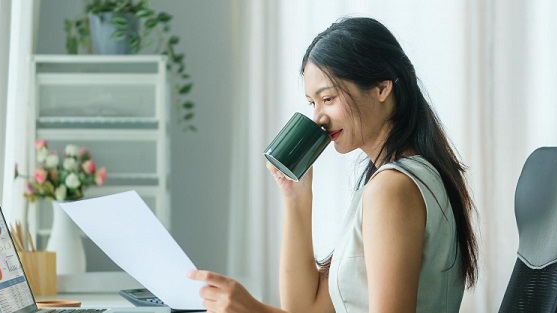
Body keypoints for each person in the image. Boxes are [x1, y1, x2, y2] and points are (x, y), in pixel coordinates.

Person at [188, 16, 478, 313]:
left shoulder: (393, 187)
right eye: (312, 103)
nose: (318, 118)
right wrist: (297, 197)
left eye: (327, 98)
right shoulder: (392, 179)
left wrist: (253, 310)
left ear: (381, 88)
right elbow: (305, 307)